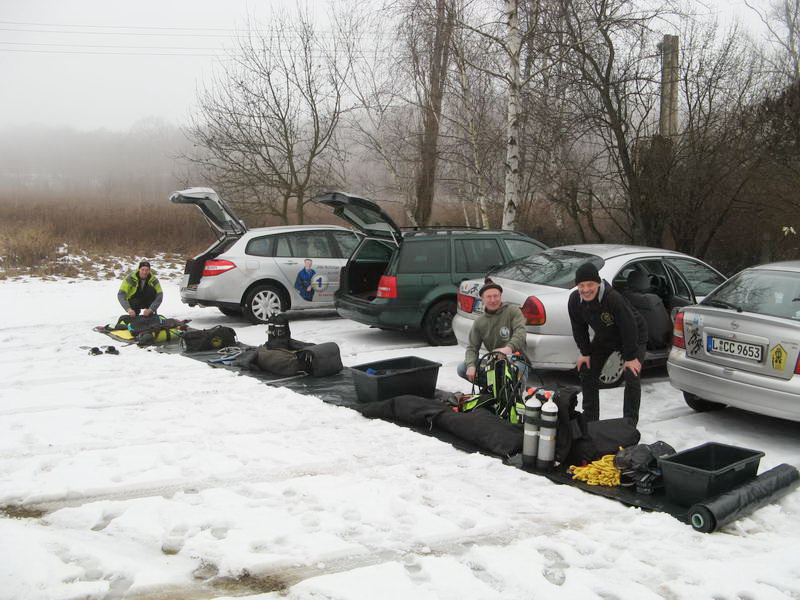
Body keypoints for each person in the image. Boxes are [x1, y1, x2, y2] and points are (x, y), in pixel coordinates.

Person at [567, 262, 647, 425]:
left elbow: (629, 326)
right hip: (606, 337)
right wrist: (585, 353)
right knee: (587, 371)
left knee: (632, 375)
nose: (586, 289)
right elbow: (578, 327)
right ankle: (590, 421)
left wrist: (630, 357)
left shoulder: (612, 298)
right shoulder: (575, 300)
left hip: (634, 336)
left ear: (598, 283)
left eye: (590, 284)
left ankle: (629, 424)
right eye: (581, 285)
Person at [458, 277, 529, 384]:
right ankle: (493, 389)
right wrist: (471, 366)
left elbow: (521, 332)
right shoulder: (479, 322)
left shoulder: (512, 311)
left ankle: (512, 394)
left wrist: (509, 348)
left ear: (500, 296)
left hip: (516, 360)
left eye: (496, 296)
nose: (493, 300)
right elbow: (472, 348)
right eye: (488, 297)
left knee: (515, 373)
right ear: (482, 299)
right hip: (494, 362)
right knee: (462, 368)